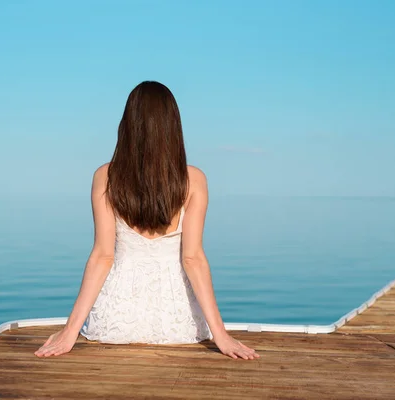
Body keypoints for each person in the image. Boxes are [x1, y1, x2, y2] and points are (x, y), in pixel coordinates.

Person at [34, 81, 259, 360]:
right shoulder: (194, 181)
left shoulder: (105, 176)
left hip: (115, 321)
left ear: (128, 125)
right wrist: (220, 336)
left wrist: (70, 332)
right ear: (173, 127)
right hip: (178, 323)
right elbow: (193, 259)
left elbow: (102, 256)